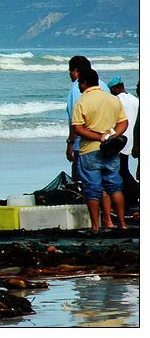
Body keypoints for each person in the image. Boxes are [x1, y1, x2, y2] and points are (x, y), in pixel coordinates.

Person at [71, 68, 128, 230]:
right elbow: (123, 123)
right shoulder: (112, 99)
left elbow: (78, 128)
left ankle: (95, 226)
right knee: (115, 186)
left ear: (84, 83)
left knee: (92, 189)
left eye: (80, 84)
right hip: (111, 150)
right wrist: (112, 136)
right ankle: (123, 224)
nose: (79, 87)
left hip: (89, 150)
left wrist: (99, 137)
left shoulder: (82, 102)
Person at [66, 56, 109, 179]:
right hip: (107, 141)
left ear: (75, 70)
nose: (70, 74)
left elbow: (75, 120)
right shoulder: (104, 86)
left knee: (83, 182)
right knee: (105, 184)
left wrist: (71, 142)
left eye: (70, 71)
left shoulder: (77, 88)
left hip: (85, 144)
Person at [108, 76, 140, 207]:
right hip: (133, 140)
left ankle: (135, 191)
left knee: (121, 171)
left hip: (120, 140)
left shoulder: (117, 100)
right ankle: (129, 197)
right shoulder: (135, 100)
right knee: (124, 169)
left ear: (115, 89)